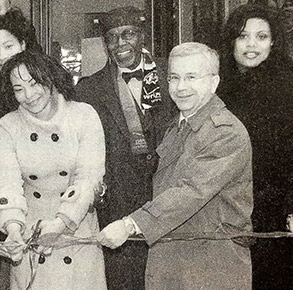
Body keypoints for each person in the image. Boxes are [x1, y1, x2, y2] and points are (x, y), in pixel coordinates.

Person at [98, 42, 253, 290]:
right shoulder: (178, 126)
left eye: (191, 77)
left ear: (214, 83)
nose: (181, 87)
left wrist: (130, 224)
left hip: (211, 270)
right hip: (174, 264)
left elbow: (190, 192)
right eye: (174, 77)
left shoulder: (225, 132)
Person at [75, 6, 177, 290]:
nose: (121, 44)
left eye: (128, 34)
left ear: (142, 36)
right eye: (112, 37)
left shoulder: (171, 76)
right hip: (119, 205)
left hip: (167, 196)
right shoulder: (88, 89)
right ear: (105, 43)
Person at [0, 50, 107, 290]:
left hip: (77, 229)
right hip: (32, 234)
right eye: (18, 88)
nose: (28, 95)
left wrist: (61, 223)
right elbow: (6, 183)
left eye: (34, 83)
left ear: (51, 79)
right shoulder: (7, 126)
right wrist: (12, 229)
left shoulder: (84, 115)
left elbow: (88, 178)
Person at [218, 4, 293, 288]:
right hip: (225, 206)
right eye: (243, 36)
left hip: (275, 209)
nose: (252, 45)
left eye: (261, 37)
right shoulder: (216, 83)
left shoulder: (290, 84)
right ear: (231, 41)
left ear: (274, 41)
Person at [0, 8, 42, 196]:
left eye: (8, 46)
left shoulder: (45, 76)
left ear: (22, 44)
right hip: (8, 186)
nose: (2, 56)